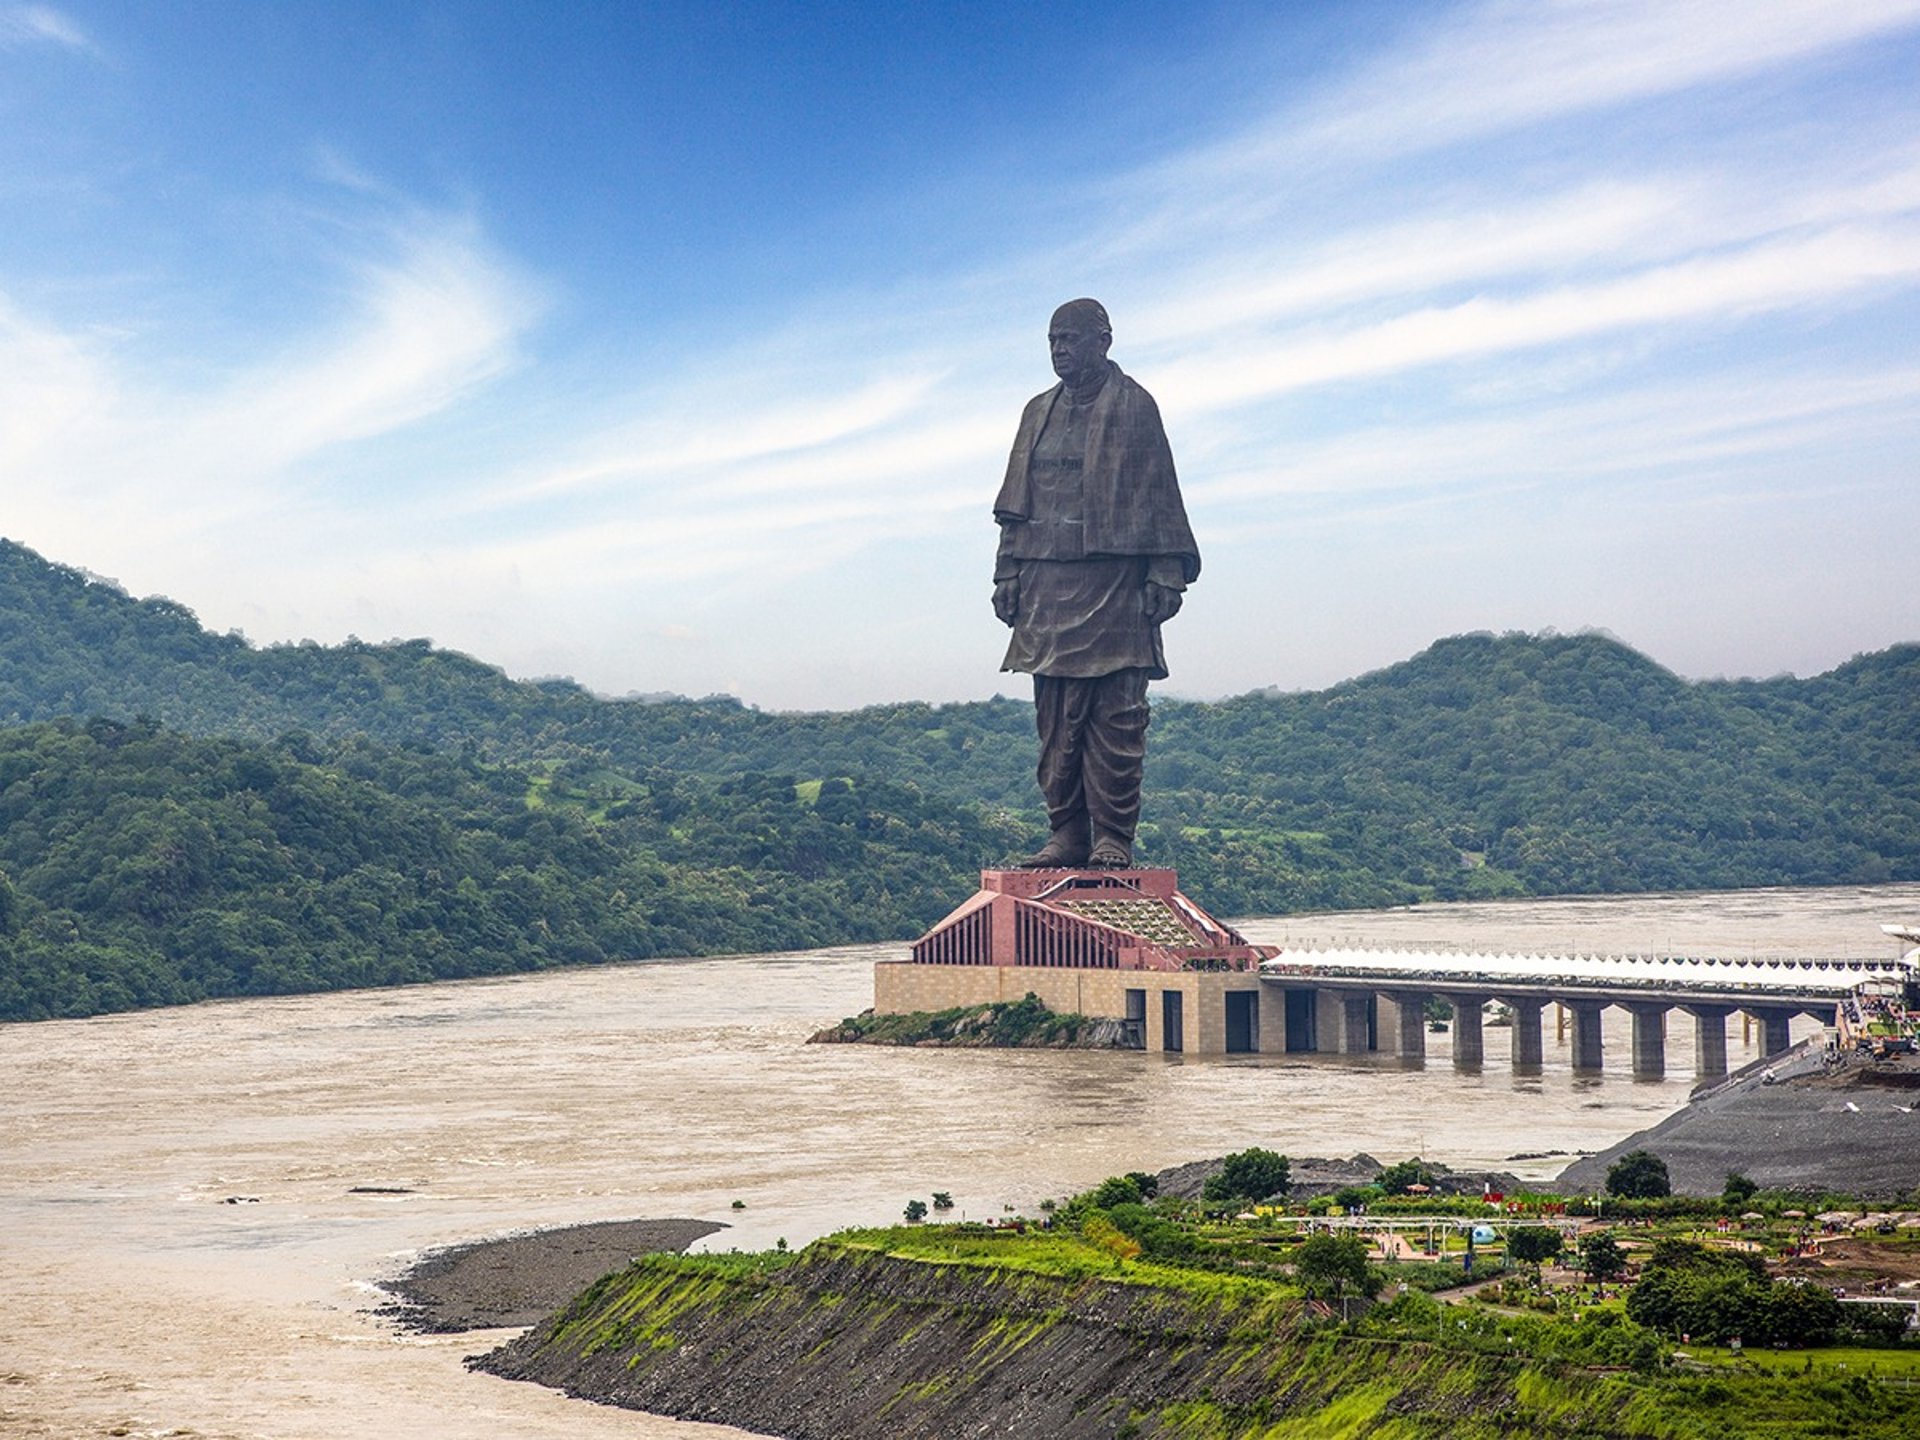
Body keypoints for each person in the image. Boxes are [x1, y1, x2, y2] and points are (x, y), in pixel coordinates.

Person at [991, 298, 1200, 868]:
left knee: (1116, 713)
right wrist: (1007, 570)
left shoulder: (1134, 406)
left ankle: (1112, 834)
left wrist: (1164, 571)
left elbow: (1159, 492)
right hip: (1045, 582)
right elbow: (1014, 504)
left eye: (1071, 340)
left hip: (1114, 583)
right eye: (1053, 341)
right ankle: (1067, 832)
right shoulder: (1037, 412)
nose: (1060, 350)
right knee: (1055, 717)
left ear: (1103, 341)